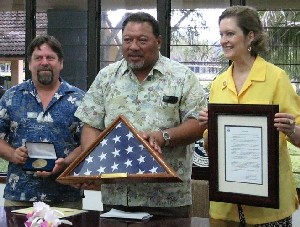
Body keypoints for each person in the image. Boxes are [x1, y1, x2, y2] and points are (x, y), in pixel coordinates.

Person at [74, 12, 207, 217]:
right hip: (116, 197)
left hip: (167, 200)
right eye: (127, 40)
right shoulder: (106, 77)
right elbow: (90, 123)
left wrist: (164, 137)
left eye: (142, 40)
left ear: (158, 41)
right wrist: (95, 162)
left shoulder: (182, 77)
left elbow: (199, 123)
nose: (133, 46)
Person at [199, 6, 300, 226]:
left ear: (250, 36)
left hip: (268, 204)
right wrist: (209, 128)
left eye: (230, 33)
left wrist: (292, 130)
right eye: (221, 34)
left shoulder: (276, 78)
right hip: (224, 206)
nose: (223, 40)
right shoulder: (218, 84)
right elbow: (210, 145)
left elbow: (299, 138)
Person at [0, 35, 85, 209]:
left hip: (65, 197)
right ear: (30, 64)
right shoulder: (11, 97)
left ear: (60, 63)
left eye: (50, 57)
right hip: (19, 196)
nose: (44, 62)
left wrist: (67, 162)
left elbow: (88, 144)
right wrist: (12, 154)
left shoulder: (79, 99)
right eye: (38, 58)